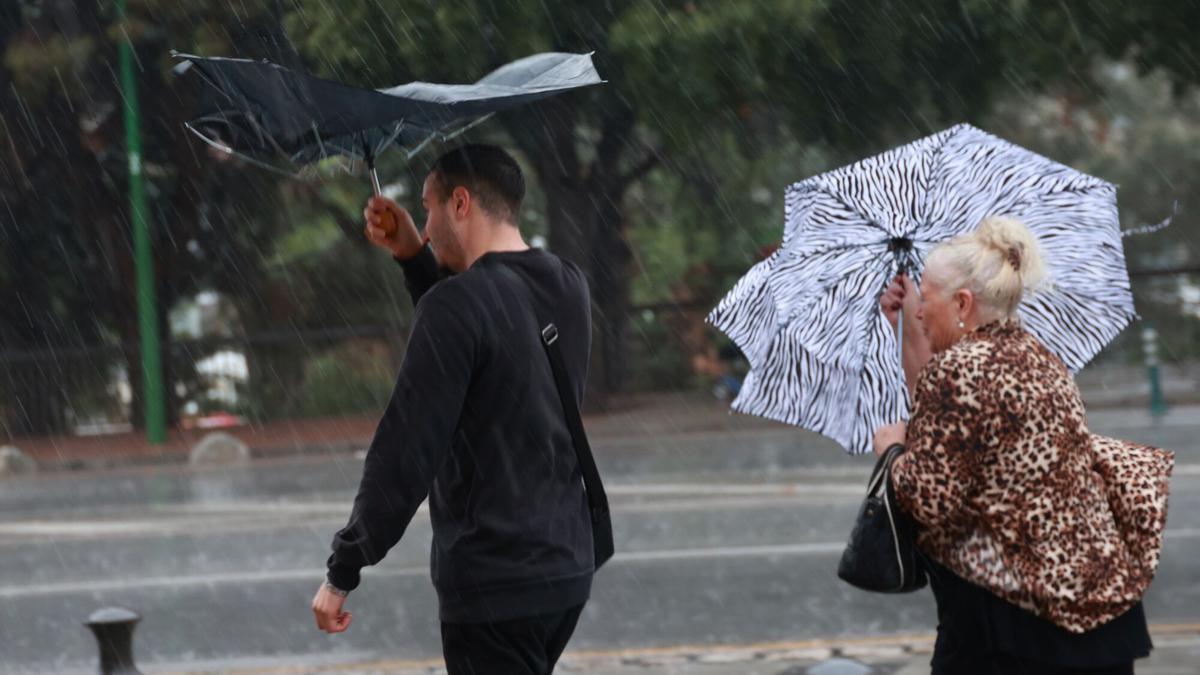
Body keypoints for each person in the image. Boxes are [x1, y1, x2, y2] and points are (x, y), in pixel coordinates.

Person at [311, 144, 601, 675]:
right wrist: (412, 255)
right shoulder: (569, 283)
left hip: (494, 577)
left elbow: (405, 450)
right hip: (563, 567)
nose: (423, 223)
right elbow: (488, 331)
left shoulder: (456, 307)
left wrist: (343, 567)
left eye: (427, 207)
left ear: (460, 203)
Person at [873, 216, 1173, 674]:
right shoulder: (1039, 357)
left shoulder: (960, 371)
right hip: (1095, 618)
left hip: (1017, 628)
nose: (918, 310)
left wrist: (891, 453)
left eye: (926, 299)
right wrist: (911, 329)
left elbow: (927, 497)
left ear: (962, 302)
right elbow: (940, 424)